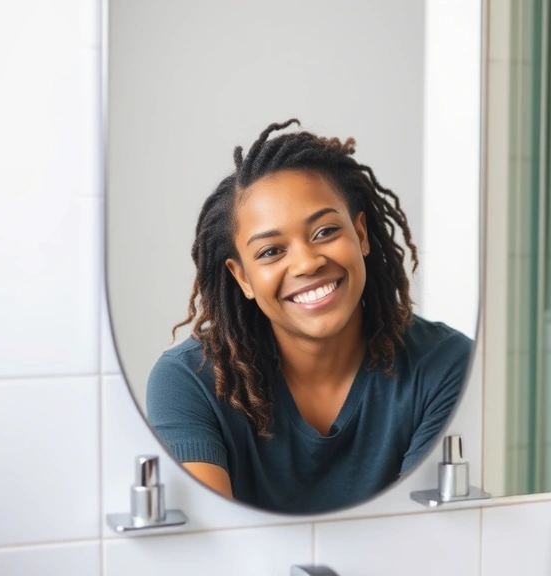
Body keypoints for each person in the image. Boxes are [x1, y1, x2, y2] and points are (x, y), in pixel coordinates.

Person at [146, 120, 471, 514]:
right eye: (271, 252)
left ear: (361, 234)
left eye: (325, 231)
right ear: (242, 277)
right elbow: (212, 542)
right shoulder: (187, 383)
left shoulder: (445, 365)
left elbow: (426, 535)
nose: (307, 263)